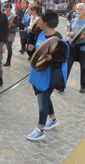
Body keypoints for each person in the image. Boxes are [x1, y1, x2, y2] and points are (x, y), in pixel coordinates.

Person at [26, 11, 68, 141]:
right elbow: (37, 53)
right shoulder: (41, 34)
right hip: (39, 73)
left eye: (40, 20)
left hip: (50, 75)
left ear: (46, 23)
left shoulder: (58, 40)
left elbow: (63, 58)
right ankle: (53, 119)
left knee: (42, 100)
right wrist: (31, 49)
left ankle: (40, 129)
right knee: (44, 97)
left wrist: (52, 58)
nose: (38, 22)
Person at [66, 3, 85, 93]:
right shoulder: (73, 20)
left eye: (80, 9)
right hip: (72, 46)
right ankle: (62, 84)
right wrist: (69, 34)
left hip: (83, 48)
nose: (78, 11)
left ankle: (83, 86)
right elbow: (69, 30)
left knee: (84, 68)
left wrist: (80, 36)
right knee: (67, 66)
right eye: (77, 9)